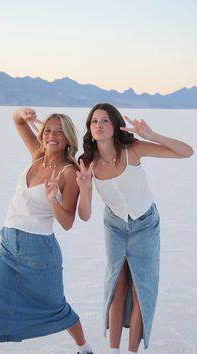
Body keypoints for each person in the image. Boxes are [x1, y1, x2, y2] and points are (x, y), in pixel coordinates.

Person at [0, 107, 93, 354]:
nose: (51, 136)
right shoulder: (37, 156)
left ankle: (85, 349)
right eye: (48, 130)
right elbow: (18, 121)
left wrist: (53, 198)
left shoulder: (69, 172)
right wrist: (23, 113)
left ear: (67, 139)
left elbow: (67, 222)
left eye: (59, 132)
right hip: (8, 245)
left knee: (56, 306)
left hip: (39, 251)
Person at [76, 103, 194, 354]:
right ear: (89, 128)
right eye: (94, 121)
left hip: (145, 225)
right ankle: (113, 350)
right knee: (116, 287)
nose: (99, 125)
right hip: (114, 226)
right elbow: (84, 215)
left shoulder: (133, 150)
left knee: (140, 287)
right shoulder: (87, 162)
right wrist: (85, 189)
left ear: (115, 124)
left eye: (105, 120)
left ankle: (131, 352)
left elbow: (187, 152)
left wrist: (152, 136)